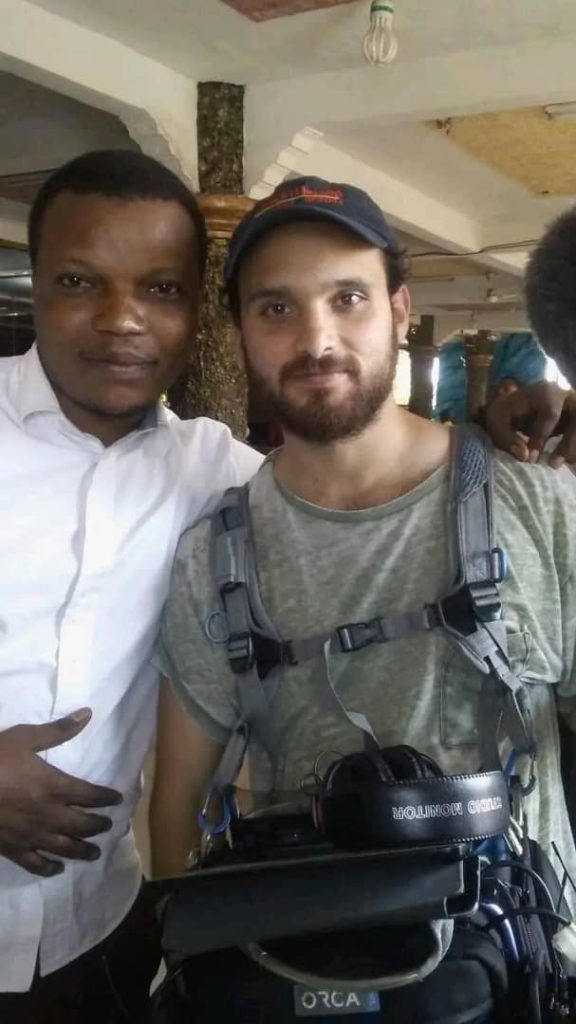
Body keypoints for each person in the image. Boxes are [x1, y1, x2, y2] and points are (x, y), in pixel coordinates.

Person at [153, 176, 576, 916]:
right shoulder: (213, 557)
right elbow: (180, 804)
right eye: (276, 308)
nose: (317, 341)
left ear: (400, 311)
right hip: (312, 956)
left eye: (348, 298)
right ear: (241, 333)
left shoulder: (540, 507)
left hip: (520, 951)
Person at [0, 149, 261, 1022]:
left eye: (161, 289)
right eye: (81, 282)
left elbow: (359, 493)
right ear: (35, 281)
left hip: (98, 937)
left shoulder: (211, 470)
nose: (122, 320)